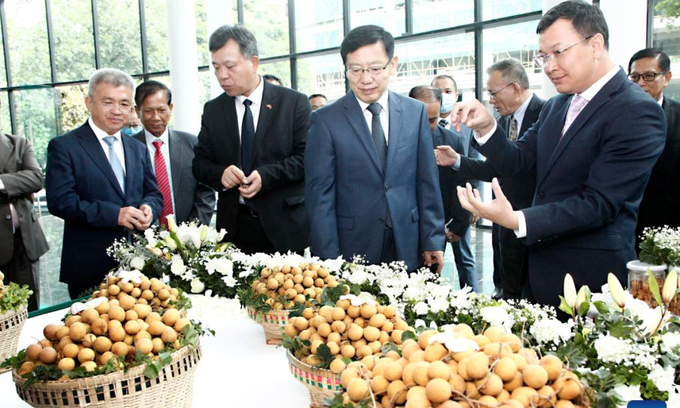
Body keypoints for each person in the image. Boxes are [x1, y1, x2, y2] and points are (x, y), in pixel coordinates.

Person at [436, 0, 666, 308]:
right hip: (540, 270)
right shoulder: (558, 104)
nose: (549, 66)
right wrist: (488, 127)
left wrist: (518, 219)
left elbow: (598, 204)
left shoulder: (637, 111)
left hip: (590, 280)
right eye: (543, 56)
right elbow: (519, 161)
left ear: (595, 44)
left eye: (558, 52)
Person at [305, 25, 445, 272]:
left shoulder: (415, 112)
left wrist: (433, 238)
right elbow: (320, 197)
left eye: (375, 68)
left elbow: (427, 182)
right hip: (352, 250)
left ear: (393, 65)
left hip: (408, 243)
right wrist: (329, 260)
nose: (366, 79)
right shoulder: (326, 120)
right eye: (356, 70)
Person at [46, 68, 163, 299]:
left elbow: (153, 193)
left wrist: (149, 208)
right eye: (108, 102)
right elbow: (61, 202)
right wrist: (115, 215)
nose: (117, 111)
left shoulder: (137, 148)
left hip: (138, 265)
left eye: (124, 104)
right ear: (89, 103)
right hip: (89, 266)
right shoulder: (65, 146)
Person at [193, 25, 310, 255]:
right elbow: (199, 164)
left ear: (253, 62)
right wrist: (221, 174)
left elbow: (306, 159)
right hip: (235, 228)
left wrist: (266, 176)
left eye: (230, 66)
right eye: (216, 67)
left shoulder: (293, 103)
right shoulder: (214, 109)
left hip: (283, 227)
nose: (221, 75)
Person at [453, 58, 546, 300]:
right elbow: (494, 169)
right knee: (508, 282)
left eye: (493, 93)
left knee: (531, 289)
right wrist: (456, 160)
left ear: (515, 88)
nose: (491, 100)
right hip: (502, 221)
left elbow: (522, 164)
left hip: (533, 219)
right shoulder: (503, 122)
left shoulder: (546, 114)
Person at [409, 85, 473, 283]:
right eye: (420, 119)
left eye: (432, 120)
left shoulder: (450, 141)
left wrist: (459, 224)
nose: (427, 125)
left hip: (436, 227)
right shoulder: (390, 140)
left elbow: (460, 181)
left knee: (429, 283)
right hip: (400, 226)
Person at [132, 80, 215, 227]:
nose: (156, 117)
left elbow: (205, 191)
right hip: (143, 238)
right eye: (148, 111)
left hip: (190, 236)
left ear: (171, 108)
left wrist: (191, 232)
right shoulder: (129, 148)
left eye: (161, 110)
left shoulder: (192, 143)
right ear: (138, 111)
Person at [431, 74, 480, 291]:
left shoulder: (468, 128)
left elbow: (475, 167)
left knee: (465, 258)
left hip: (461, 204)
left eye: (448, 91)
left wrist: (473, 204)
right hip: (435, 205)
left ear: (456, 94)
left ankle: (472, 301)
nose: (444, 96)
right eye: (438, 91)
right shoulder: (423, 127)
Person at [628, 48, 680, 250]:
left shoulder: (677, 116)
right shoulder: (616, 116)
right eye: (635, 76)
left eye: (649, 76)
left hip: (668, 224)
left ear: (666, 78)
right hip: (624, 224)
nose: (641, 83)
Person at [0, 131, 49, 311]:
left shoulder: (19, 144)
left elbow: (36, 179)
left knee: (30, 308)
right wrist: (16, 184)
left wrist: (1, 183)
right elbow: (26, 179)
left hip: (25, 244)